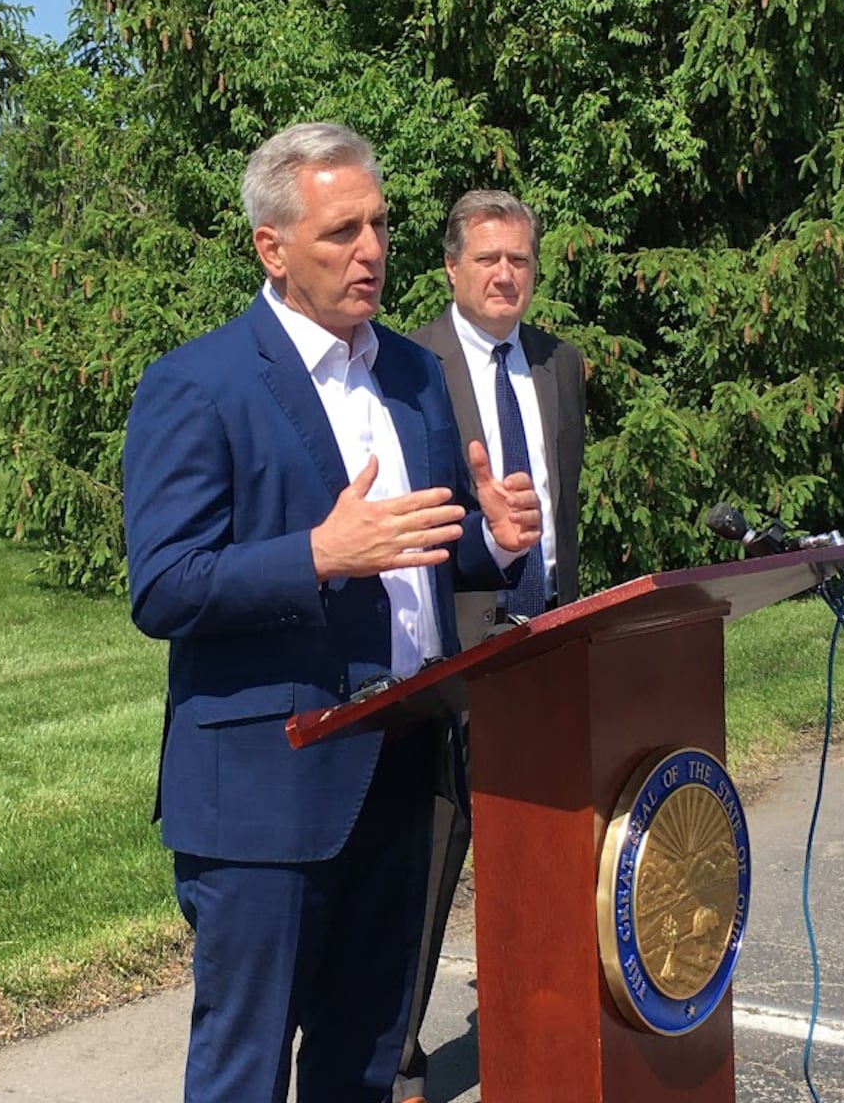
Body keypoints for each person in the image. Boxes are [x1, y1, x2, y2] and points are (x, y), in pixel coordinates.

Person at [123, 123, 542, 1103]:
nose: (371, 251)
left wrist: (494, 539)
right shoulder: (199, 384)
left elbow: (421, 554)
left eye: (380, 226)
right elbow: (165, 584)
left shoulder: (409, 375)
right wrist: (317, 554)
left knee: (362, 1062)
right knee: (245, 1073)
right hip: (269, 788)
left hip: (401, 775)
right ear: (272, 247)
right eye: (340, 231)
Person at [397, 189, 588, 1103]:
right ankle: (392, 1061)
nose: (505, 274)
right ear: (452, 269)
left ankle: (544, 1038)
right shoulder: (411, 368)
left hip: (547, 645)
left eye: (518, 259)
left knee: (549, 854)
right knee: (431, 864)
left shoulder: (560, 366)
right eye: (487, 260)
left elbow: (566, 512)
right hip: (452, 657)